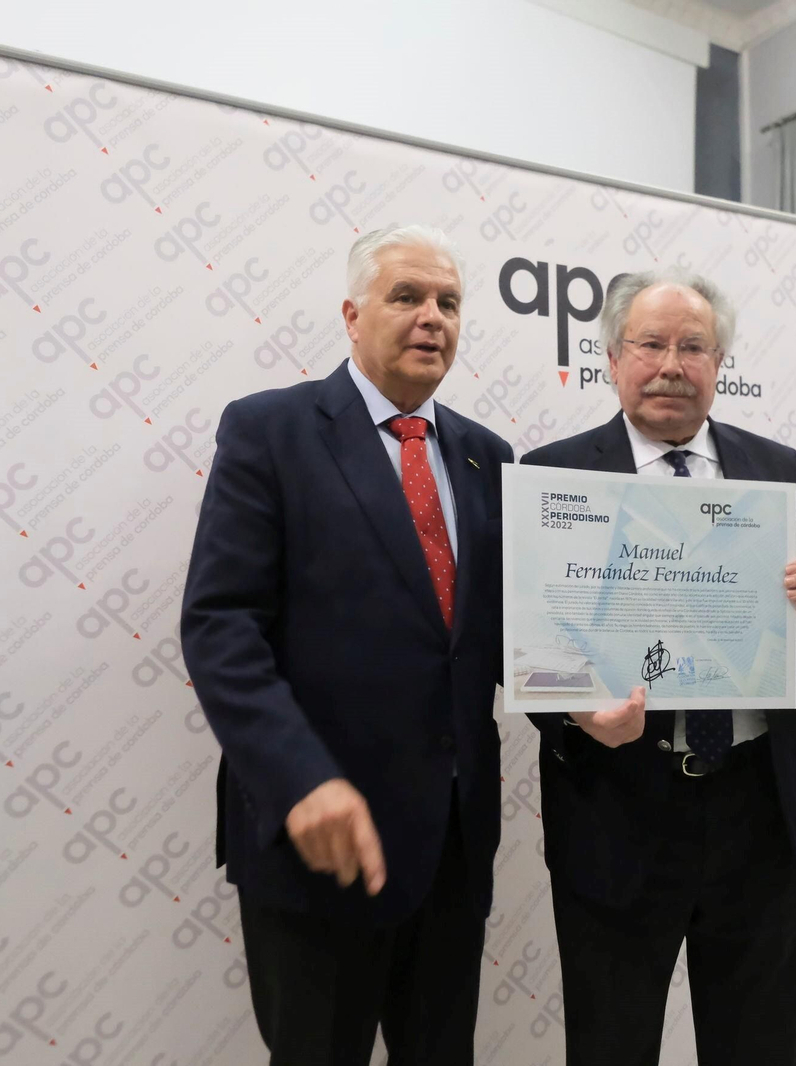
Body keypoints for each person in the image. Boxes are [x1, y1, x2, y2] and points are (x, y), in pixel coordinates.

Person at [179, 224, 512, 1066]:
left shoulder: (488, 459)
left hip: (452, 849)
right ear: (352, 313)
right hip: (319, 842)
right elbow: (221, 624)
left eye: (449, 302)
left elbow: (509, 636)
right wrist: (300, 779)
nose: (431, 317)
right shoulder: (270, 431)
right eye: (407, 297)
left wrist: (588, 700)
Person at [520, 267, 796, 1066]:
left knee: (760, 1042)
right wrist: (575, 712)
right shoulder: (551, 473)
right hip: (619, 806)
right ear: (611, 357)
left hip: (760, 808)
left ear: (719, 363)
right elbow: (524, 645)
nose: (671, 363)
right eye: (650, 344)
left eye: (693, 346)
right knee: (612, 1042)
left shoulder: (773, 467)